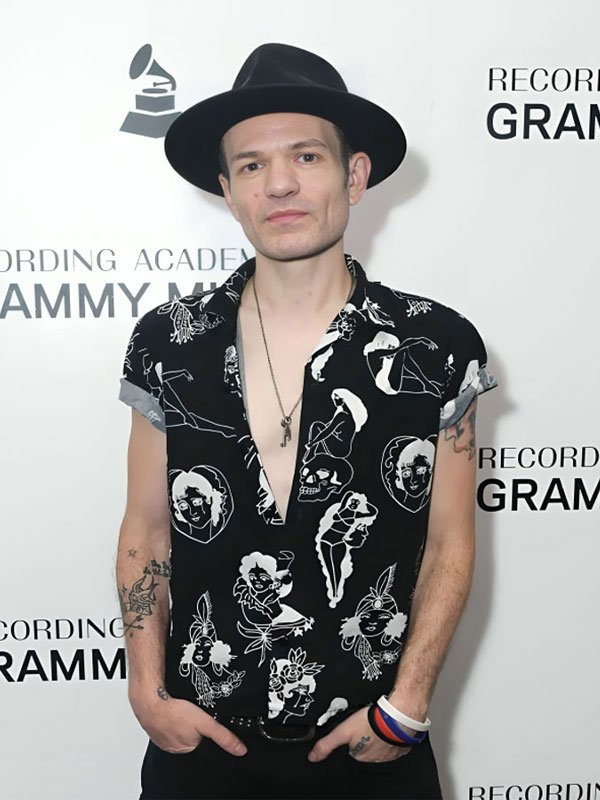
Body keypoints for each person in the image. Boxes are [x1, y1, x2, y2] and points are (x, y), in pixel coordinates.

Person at [116, 42, 498, 800]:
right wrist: (146, 690)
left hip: (373, 747)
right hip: (201, 745)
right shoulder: (169, 342)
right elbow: (146, 530)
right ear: (228, 191)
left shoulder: (434, 345)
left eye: (306, 156)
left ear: (354, 176)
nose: (280, 183)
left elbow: (450, 543)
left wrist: (406, 709)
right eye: (251, 165)